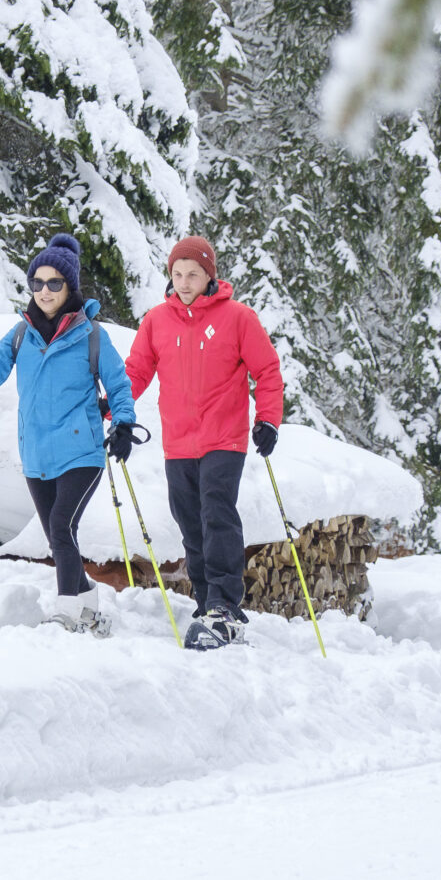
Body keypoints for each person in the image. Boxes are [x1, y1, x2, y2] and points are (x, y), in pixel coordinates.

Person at [0, 233, 137, 636]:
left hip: (82, 452)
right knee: (60, 536)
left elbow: (119, 384)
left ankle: (67, 613)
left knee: (61, 527)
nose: (44, 291)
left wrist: (123, 423)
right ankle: (89, 607)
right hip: (37, 455)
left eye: (54, 283)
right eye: (36, 283)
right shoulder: (21, 334)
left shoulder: (91, 334)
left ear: (70, 287)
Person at [120, 235, 284, 650]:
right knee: (189, 518)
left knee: (216, 511)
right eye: (177, 274)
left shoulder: (238, 318)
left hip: (224, 438)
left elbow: (266, 371)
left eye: (193, 274)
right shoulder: (157, 320)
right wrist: (112, 410)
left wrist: (268, 420)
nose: (184, 282)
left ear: (210, 275)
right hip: (178, 442)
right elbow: (136, 372)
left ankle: (225, 606)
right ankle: (206, 600)